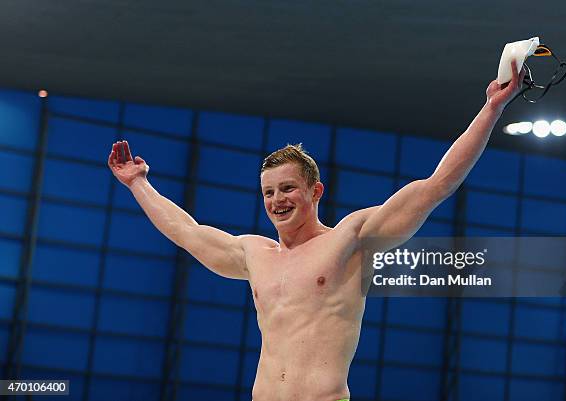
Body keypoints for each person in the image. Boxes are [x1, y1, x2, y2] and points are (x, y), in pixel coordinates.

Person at [108, 62, 526, 401]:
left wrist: (491, 109)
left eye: (288, 188)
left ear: (315, 191)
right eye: (269, 192)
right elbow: (187, 231)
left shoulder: (350, 239)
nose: (277, 200)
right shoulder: (254, 253)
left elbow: (436, 186)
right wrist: (138, 184)